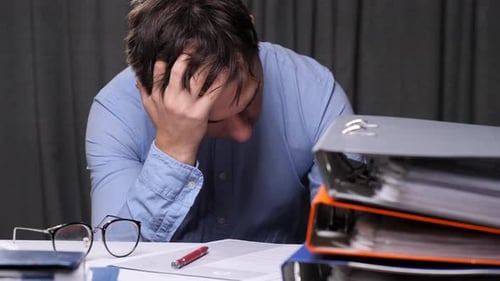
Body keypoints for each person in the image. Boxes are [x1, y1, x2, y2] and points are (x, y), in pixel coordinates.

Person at [85, 0, 354, 243]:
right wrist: (173, 150)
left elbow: (344, 241)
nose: (242, 134)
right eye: (207, 120)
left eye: (248, 103)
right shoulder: (117, 111)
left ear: (252, 34)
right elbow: (113, 256)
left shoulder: (315, 93)